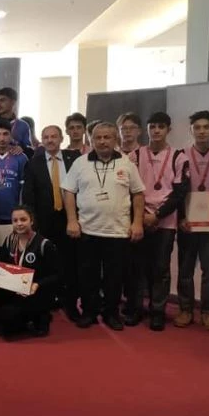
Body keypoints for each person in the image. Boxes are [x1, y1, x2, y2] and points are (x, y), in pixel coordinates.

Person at [62, 122, 145, 330]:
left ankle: (111, 313)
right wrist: (72, 220)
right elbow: (69, 191)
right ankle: (89, 312)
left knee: (114, 277)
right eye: (98, 137)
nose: (102, 141)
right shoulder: (80, 163)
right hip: (87, 230)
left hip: (118, 231)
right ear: (91, 140)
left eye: (107, 137)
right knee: (87, 275)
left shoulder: (127, 163)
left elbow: (138, 194)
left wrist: (137, 222)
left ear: (115, 139)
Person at [126, 112, 189, 331]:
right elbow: (128, 188)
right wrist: (141, 216)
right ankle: (135, 309)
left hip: (165, 222)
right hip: (139, 218)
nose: (156, 131)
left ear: (168, 130)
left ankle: (157, 312)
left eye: (161, 127)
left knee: (160, 268)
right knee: (136, 267)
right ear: (147, 129)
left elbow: (180, 193)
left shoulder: (178, 157)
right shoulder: (135, 155)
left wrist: (157, 215)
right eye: (152, 126)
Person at [22, 126, 81, 320]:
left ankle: (70, 303)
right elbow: (29, 195)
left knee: (71, 263)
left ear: (61, 138)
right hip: (44, 222)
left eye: (54, 136)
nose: (50, 140)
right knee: (45, 264)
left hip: (70, 219)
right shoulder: (34, 163)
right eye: (46, 137)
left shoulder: (75, 159)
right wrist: (33, 223)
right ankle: (45, 303)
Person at [176, 111, 209, 331]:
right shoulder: (181, 156)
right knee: (185, 270)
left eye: (206, 127)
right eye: (197, 127)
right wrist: (180, 217)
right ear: (191, 130)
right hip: (187, 222)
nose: (202, 131)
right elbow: (175, 190)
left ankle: (207, 312)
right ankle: (185, 310)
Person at [0, 205, 59, 339]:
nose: (19, 223)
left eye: (23, 219)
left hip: (34, 292)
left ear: (31, 221)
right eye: (15, 220)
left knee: (9, 324)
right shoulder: (10, 240)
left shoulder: (44, 244)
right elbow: (0, 265)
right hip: (13, 290)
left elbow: (57, 275)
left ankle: (40, 316)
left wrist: (37, 284)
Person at [0, 87, 31, 153]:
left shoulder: (23, 126)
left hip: (15, 159)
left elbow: (29, 149)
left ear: (13, 102)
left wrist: (22, 148)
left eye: (2, 100)